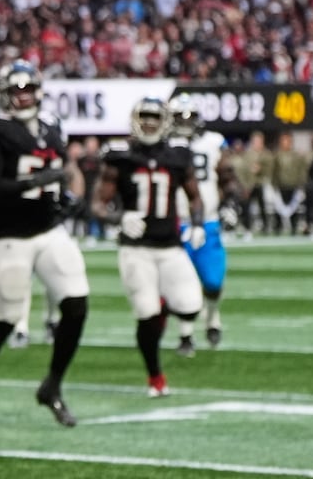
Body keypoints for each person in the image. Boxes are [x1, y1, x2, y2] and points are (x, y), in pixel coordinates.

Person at [0, 61, 88, 428]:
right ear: (4, 94)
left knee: (77, 304)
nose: (23, 97)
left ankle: (52, 385)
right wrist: (34, 184)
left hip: (48, 229)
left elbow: (57, 173)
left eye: (28, 90)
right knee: (5, 320)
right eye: (16, 91)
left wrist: (62, 196)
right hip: (7, 236)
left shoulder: (51, 126)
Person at [95, 97, 204, 398]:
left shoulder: (179, 156)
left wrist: (196, 224)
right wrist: (120, 217)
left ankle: (164, 307)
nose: (150, 123)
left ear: (166, 121)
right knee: (146, 313)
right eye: (144, 117)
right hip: (136, 248)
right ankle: (155, 376)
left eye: (155, 117)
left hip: (170, 247)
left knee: (192, 307)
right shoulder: (121, 157)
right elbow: (97, 204)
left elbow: (195, 196)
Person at [168, 94, 228, 352]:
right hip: (177, 223)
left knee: (213, 282)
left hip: (209, 223)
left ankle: (212, 315)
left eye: (189, 117)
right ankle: (185, 334)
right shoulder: (164, 145)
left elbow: (227, 177)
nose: (184, 122)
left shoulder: (213, 142)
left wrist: (229, 205)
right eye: (179, 117)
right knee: (182, 282)